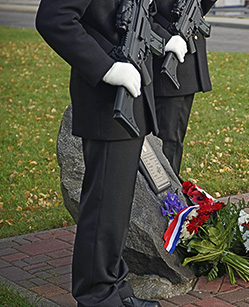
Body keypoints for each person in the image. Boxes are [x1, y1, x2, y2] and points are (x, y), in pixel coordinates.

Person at [35, 1, 166, 306]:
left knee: (116, 209)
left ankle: (113, 285)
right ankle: (96, 295)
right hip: (107, 101)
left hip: (127, 98)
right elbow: (54, 19)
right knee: (103, 208)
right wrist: (105, 67)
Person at [151, 0, 216, 176]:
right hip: (167, 63)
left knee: (174, 139)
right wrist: (166, 39)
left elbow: (202, 7)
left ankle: (170, 191)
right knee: (166, 140)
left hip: (185, 66)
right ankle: (166, 196)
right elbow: (144, 16)